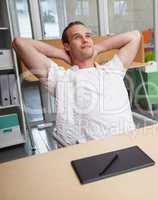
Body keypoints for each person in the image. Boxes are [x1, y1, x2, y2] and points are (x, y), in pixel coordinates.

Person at [13, 21, 141, 145]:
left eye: (88, 36)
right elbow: (20, 43)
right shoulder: (61, 78)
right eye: (77, 37)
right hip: (90, 152)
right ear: (67, 46)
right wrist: (61, 54)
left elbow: (135, 36)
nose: (85, 40)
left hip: (128, 143)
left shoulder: (113, 69)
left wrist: (97, 48)